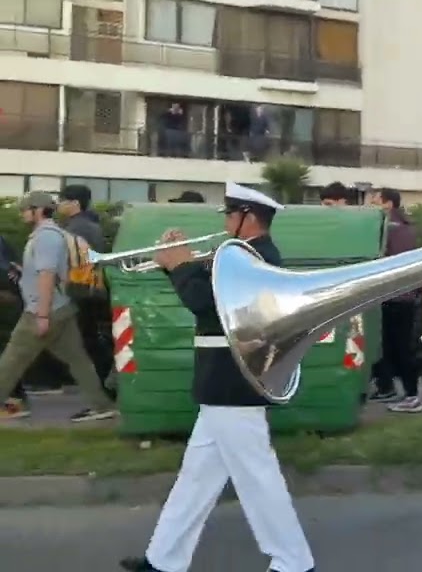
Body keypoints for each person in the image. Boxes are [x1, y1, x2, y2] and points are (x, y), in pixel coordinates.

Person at [120, 182, 314, 572]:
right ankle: (163, 560)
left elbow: (204, 303)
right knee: (195, 480)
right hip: (222, 381)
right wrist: (178, 265)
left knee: (258, 478)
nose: (225, 221)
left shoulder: (252, 258)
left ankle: (295, 563)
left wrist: (179, 265)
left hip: (232, 381)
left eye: (230, 214)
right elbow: (202, 293)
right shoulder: (239, 255)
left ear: (248, 217)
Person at [0, 191, 116, 422]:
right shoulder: (51, 234)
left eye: (25, 209)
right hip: (60, 308)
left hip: (42, 311)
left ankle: (101, 406)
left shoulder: (46, 237)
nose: (22, 213)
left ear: (38, 210)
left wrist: (42, 316)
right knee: (78, 360)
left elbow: (47, 275)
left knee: (11, 360)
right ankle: (101, 406)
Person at [368, 188, 422, 412]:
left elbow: (389, 260)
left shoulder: (392, 227)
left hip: (396, 296)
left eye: (376, 202)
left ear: (388, 204)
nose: (372, 206)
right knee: (392, 347)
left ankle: (412, 396)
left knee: (400, 348)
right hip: (400, 296)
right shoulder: (404, 226)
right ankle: (391, 389)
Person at [58, 184, 113, 389]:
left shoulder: (77, 228)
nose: (59, 205)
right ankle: (103, 379)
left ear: (74, 203)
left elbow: (69, 259)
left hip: (80, 288)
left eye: (62, 200)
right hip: (91, 288)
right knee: (87, 337)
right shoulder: (91, 225)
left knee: (85, 339)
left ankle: (104, 381)